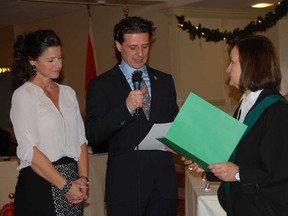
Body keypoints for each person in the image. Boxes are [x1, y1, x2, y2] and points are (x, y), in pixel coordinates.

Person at [183, 35, 288, 216]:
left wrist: (239, 174)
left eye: (233, 62)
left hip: (263, 208)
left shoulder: (277, 111)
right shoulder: (246, 104)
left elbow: (279, 172)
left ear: (250, 65)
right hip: (241, 204)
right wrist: (206, 165)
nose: (227, 69)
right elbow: (239, 155)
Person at [85, 16, 179, 216]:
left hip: (163, 185)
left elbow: (175, 124)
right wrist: (126, 108)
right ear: (118, 46)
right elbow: (93, 133)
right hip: (124, 187)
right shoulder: (101, 85)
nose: (140, 54)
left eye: (145, 46)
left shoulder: (164, 81)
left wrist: (181, 143)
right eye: (133, 47)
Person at [10, 29, 89, 216]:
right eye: (50, 60)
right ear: (32, 61)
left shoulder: (68, 92)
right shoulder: (24, 95)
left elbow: (80, 140)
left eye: (60, 58)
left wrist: (83, 179)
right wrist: (65, 186)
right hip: (40, 181)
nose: (58, 65)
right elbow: (30, 151)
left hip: (72, 177)